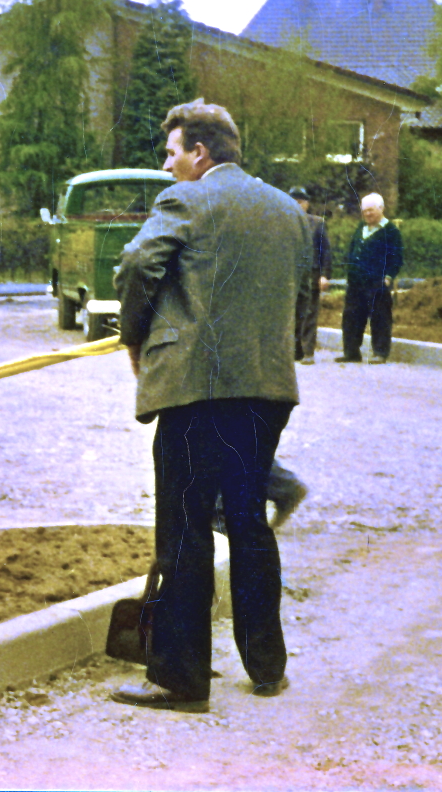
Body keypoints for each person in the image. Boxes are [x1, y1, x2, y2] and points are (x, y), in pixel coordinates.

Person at [111, 100, 309, 713]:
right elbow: (301, 295)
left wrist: (134, 338)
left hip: (196, 389)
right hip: (266, 389)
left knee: (186, 528)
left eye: (172, 153)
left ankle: (180, 677)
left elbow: (137, 264)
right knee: (249, 522)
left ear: (200, 153)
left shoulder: (185, 201)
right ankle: (267, 667)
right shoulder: (287, 211)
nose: (167, 165)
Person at [337, 191, 403, 365]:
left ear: (381, 209)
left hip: (377, 282)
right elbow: (352, 250)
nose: (367, 214)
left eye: (371, 210)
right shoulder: (361, 228)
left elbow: (396, 257)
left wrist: (388, 276)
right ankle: (351, 352)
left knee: (380, 318)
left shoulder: (391, 231)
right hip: (356, 282)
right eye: (364, 211)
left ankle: (380, 352)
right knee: (351, 317)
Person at [288, 187, 332, 364]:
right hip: (290, 274)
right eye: (293, 202)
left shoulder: (317, 223)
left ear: (306, 204)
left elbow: (325, 252)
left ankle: (307, 352)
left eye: (300, 202)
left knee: (309, 312)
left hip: (311, 274)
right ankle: (294, 350)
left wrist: (324, 275)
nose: (297, 205)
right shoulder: (284, 224)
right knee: (291, 313)